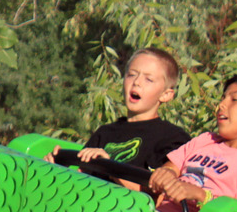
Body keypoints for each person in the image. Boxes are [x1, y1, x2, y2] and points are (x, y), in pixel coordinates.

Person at [50, 48, 189, 180]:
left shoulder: (172, 138)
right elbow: (82, 177)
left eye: (149, 79)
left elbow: (156, 193)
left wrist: (109, 166)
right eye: (132, 74)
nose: (137, 82)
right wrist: (58, 168)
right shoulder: (104, 133)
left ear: (166, 95)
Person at [145, 74, 237, 212]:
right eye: (223, 98)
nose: (221, 105)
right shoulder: (205, 140)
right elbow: (171, 167)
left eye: (235, 99)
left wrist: (200, 196)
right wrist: (166, 174)